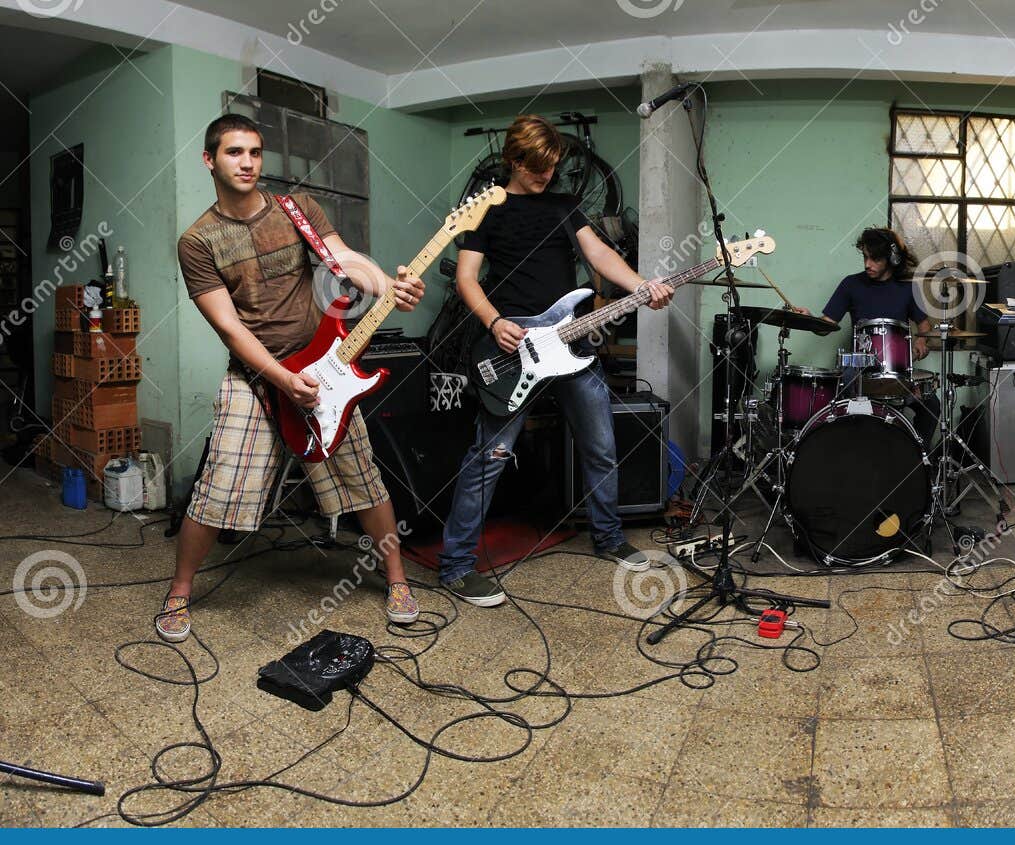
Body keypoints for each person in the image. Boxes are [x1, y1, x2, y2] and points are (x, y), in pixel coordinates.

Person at [158, 113, 426, 643]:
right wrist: (281, 378)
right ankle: (179, 591)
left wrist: (387, 286)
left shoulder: (296, 209)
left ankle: (397, 580)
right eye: (235, 152)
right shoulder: (198, 241)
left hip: (324, 368)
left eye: (255, 152)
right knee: (218, 487)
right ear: (210, 160)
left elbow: (344, 259)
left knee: (364, 480)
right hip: (256, 377)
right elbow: (230, 328)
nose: (248, 162)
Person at [436, 114, 674, 608]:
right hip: (512, 345)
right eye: (535, 167)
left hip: (570, 345)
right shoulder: (486, 209)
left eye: (552, 166)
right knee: (489, 458)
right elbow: (467, 279)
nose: (545, 175)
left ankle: (608, 538)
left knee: (602, 447)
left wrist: (641, 285)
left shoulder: (566, 206)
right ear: (513, 159)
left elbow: (600, 257)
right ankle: (456, 565)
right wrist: (493, 321)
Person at [814, 227, 939, 442]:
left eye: (875, 259)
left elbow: (925, 326)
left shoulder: (908, 288)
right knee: (841, 400)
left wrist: (921, 339)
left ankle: (917, 459)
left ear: (891, 259)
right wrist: (809, 320)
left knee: (931, 405)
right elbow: (826, 326)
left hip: (896, 371)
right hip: (858, 371)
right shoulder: (851, 284)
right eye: (865, 257)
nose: (867, 264)